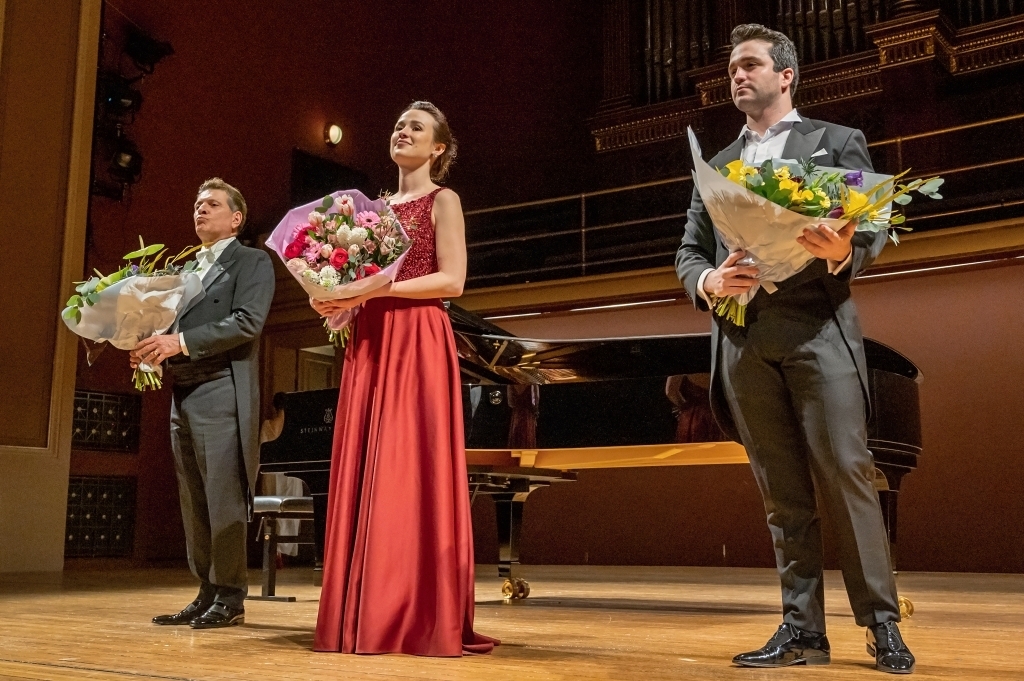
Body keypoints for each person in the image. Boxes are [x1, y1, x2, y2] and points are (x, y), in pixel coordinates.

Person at [675, 25, 915, 674]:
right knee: (782, 494)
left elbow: (873, 221)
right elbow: (689, 250)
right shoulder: (717, 164)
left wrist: (846, 248)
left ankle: (882, 624)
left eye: (750, 64)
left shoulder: (836, 140)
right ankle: (802, 630)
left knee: (847, 474)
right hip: (743, 341)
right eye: (732, 68)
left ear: (786, 75)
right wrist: (709, 280)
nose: (737, 75)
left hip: (818, 331)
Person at [309, 101, 497, 656]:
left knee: (407, 465)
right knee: (367, 461)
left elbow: (453, 280)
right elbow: (354, 284)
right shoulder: (370, 211)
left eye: (416, 127)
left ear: (438, 148)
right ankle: (361, 613)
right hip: (370, 338)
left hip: (417, 336)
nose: (402, 131)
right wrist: (337, 301)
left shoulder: (444, 199)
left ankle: (408, 611)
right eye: (397, 125)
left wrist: (378, 289)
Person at [132, 178, 275, 629]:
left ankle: (231, 595)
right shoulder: (185, 266)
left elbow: (247, 321)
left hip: (222, 387)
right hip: (184, 390)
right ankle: (207, 591)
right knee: (194, 497)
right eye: (197, 205)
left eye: (212, 204)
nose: (201, 210)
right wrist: (148, 347)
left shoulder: (252, 261)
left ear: (236, 218)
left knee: (223, 495)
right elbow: (166, 326)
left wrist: (178, 342)